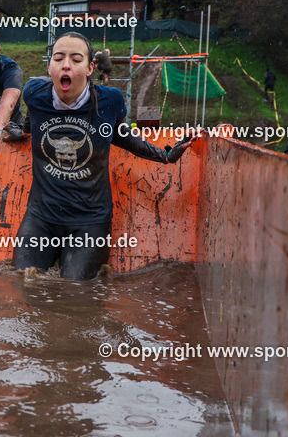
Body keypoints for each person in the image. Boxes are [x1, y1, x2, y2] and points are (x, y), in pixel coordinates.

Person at [13, 32, 196, 281]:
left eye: (76, 60)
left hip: (89, 219)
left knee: (75, 293)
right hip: (41, 216)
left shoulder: (110, 101)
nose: (65, 65)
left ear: (90, 69)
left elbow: (123, 136)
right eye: (58, 58)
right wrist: (18, 132)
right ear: (50, 67)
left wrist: (166, 155)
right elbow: (30, 121)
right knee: (24, 281)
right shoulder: (35, 93)